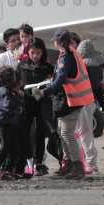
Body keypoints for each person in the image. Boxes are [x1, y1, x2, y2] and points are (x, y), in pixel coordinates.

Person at [36, 28, 95, 180]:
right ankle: (68, 165)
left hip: (70, 100)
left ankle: (77, 167)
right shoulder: (72, 53)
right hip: (71, 99)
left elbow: (60, 79)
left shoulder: (66, 57)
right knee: (62, 132)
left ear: (58, 42)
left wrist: (44, 92)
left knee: (67, 134)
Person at [18, 37, 55, 176]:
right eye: (32, 52)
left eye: (38, 53)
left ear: (43, 52)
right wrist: (20, 91)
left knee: (40, 133)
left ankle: (39, 162)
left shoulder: (48, 67)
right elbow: (16, 83)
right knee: (24, 132)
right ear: (28, 52)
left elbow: (53, 84)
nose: (35, 56)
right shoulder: (21, 66)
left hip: (42, 103)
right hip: (26, 103)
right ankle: (26, 161)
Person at [0, 66, 25, 179]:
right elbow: (7, 106)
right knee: (5, 146)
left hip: (11, 122)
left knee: (15, 148)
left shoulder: (9, 90)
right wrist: (18, 97)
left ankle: (8, 171)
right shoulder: (4, 90)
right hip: (3, 122)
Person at [75, 38, 104, 173]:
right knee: (86, 133)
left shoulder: (82, 67)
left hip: (81, 102)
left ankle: (88, 162)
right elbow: (98, 87)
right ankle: (90, 162)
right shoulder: (97, 68)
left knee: (81, 133)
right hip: (91, 102)